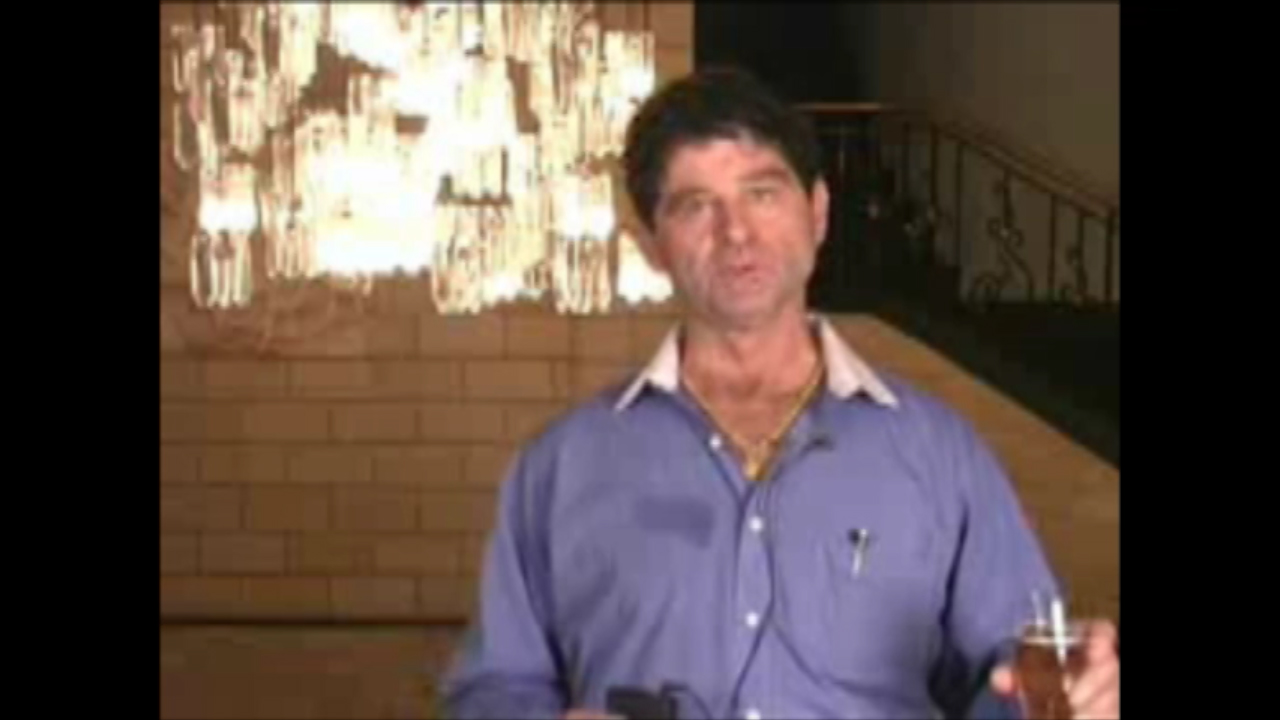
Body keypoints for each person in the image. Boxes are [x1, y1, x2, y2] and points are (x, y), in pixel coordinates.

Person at [438, 67, 1120, 719]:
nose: (736, 232)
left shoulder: (941, 454)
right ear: (652, 245)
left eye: (762, 194)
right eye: (695, 205)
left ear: (818, 213)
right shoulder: (560, 465)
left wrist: (1073, 696)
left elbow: (1016, 679)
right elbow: (493, 689)